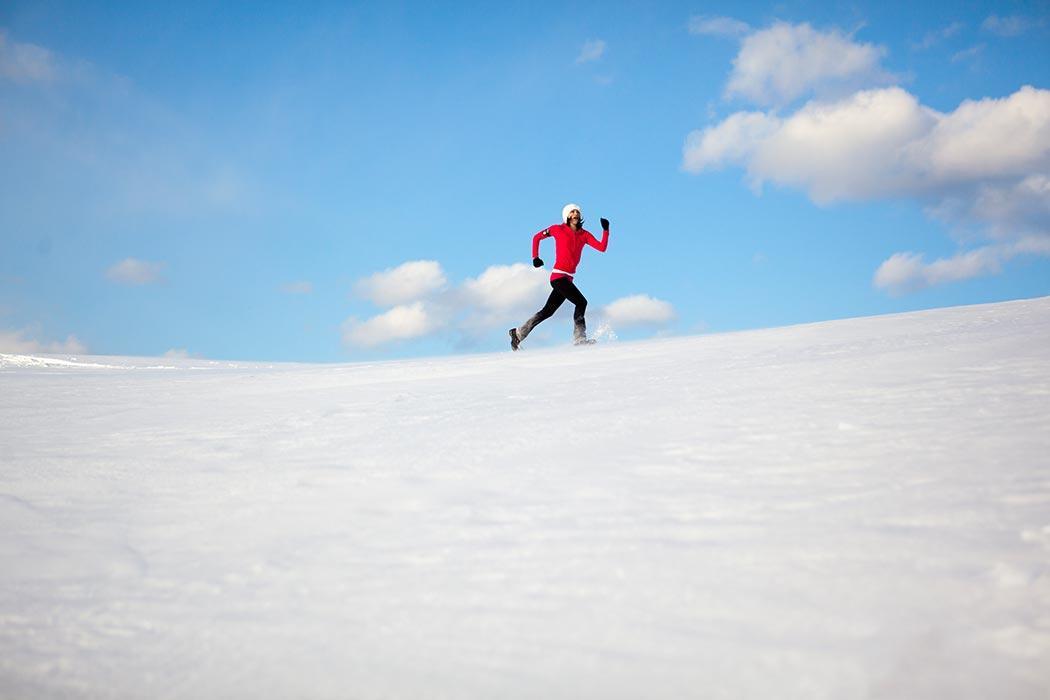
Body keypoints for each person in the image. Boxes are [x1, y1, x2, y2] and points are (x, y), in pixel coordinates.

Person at [509, 203, 609, 350]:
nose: (575, 214)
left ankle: (517, 334)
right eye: (572, 212)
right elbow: (536, 237)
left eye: (577, 212)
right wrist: (535, 257)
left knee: (547, 311)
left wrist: (606, 230)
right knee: (581, 302)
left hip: (568, 278)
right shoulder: (557, 229)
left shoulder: (584, 235)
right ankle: (580, 338)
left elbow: (602, 248)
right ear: (567, 216)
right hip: (558, 277)